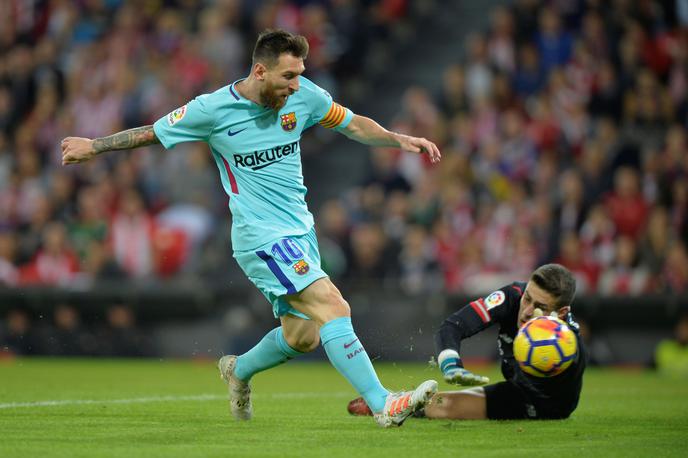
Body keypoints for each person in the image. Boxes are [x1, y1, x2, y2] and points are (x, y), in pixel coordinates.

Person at [61, 29, 441, 427]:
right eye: (288, 76)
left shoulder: (305, 96)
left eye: (299, 74)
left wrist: (400, 139)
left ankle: (239, 370)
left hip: (300, 232)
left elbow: (352, 124)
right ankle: (383, 404)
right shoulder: (211, 110)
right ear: (260, 71)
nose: (296, 85)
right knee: (333, 305)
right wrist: (95, 146)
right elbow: (152, 133)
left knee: (303, 337)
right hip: (260, 236)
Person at [348, 264, 586, 420]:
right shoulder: (512, 297)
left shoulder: (567, 342)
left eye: (540, 307)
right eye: (528, 299)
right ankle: (393, 402)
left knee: (447, 407)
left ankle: (393, 403)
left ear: (562, 313)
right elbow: (453, 326)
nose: (527, 311)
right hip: (517, 388)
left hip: (550, 404)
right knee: (443, 405)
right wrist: (451, 363)